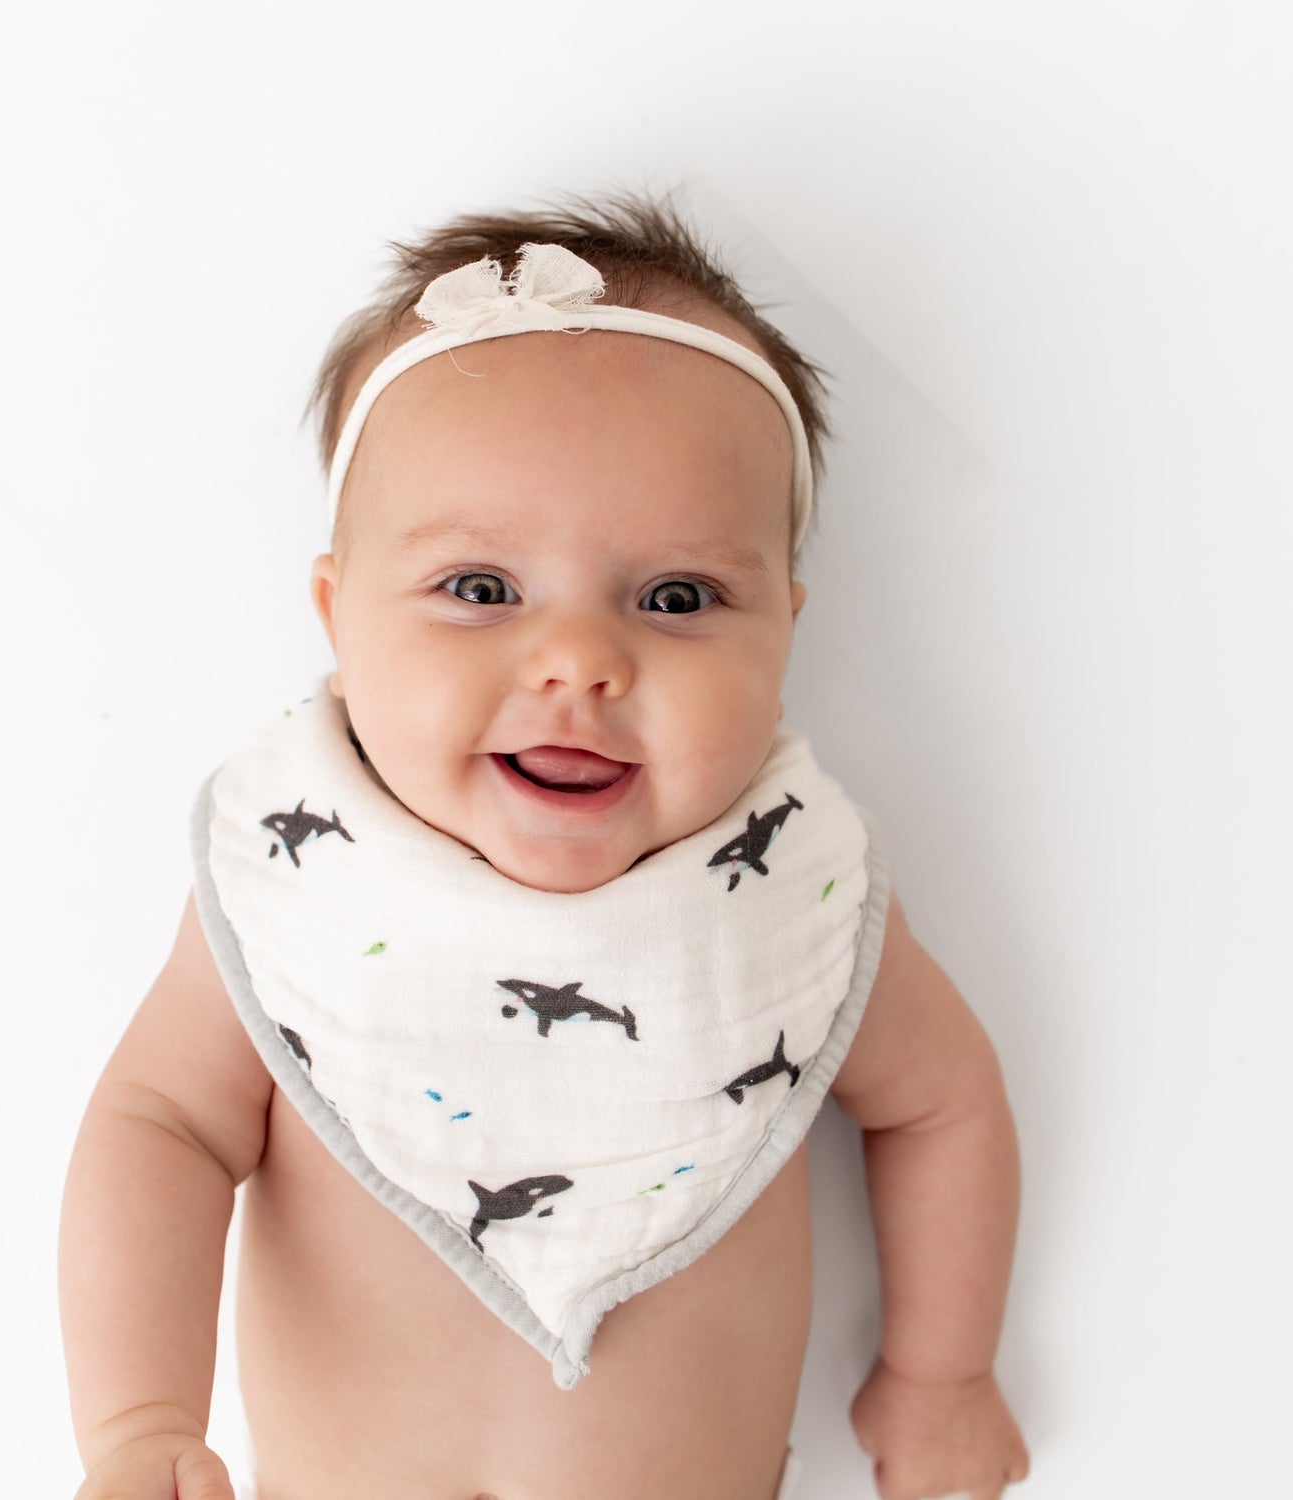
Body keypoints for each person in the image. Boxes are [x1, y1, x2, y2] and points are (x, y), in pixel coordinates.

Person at [59, 192, 1031, 1500]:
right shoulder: (304, 878)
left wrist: (942, 1372)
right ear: (339, 616)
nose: (577, 660)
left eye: (676, 597)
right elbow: (163, 1126)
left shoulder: (793, 883)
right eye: (481, 590)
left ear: (785, 630)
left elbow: (941, 1103)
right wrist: (137, 1422)